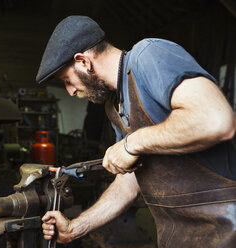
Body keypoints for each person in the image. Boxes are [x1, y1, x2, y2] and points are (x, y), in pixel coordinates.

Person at [36, 16, 236, 247]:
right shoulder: (114, 105)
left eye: (67, 80)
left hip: (227, 229)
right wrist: (75, 227)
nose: (70, 91)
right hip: (178, 238)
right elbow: (129, 182)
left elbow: (216, 120)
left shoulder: (149, 55)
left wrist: (133, 143)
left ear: (83, 62)